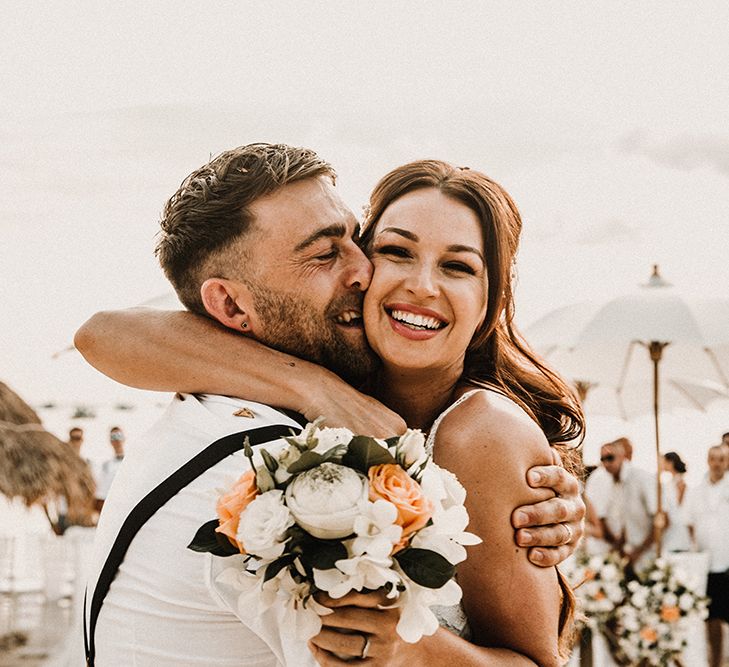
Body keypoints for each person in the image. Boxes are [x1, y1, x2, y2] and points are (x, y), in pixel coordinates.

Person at [77, 145, 585, 666]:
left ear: (491, 300)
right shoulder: (291, 430)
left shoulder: (478, 433)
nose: (369, 272)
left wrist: (415, 650)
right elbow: (102, 333)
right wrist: (315, 388)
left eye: (457, 266)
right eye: (393, 251)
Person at [686, 445, 729, 667]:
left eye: (721, 459)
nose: (717, 463)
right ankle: (716, 662)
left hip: (728, 562)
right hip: (708, 565)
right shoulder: (695, 492)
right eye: (713, 458)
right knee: (712, 619)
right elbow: (690, 525)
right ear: (707, 461)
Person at [595, 439, 657, 572]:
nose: (606, 463)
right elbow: (626, 521)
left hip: (649, 556)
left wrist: (639, 551)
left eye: (610, 458)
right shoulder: (614, 483)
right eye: (603, 459)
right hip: (629, 555)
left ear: (623, 456)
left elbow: (660, 519)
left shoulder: (641, 478)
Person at [661, 451, 690, 553]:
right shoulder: (670, 482)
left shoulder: (680, 482)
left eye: (664, 462)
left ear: (670, 462)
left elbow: (679, 505)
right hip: (671, 526)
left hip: (678, 526)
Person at [94, 427, 126, 512]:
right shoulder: (106, 466)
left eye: (119, 436)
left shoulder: (131, 462)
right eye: (113, 437)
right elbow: (101, 491)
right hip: (113, 507)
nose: (117, 440)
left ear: (124, 438)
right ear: (110, 441)